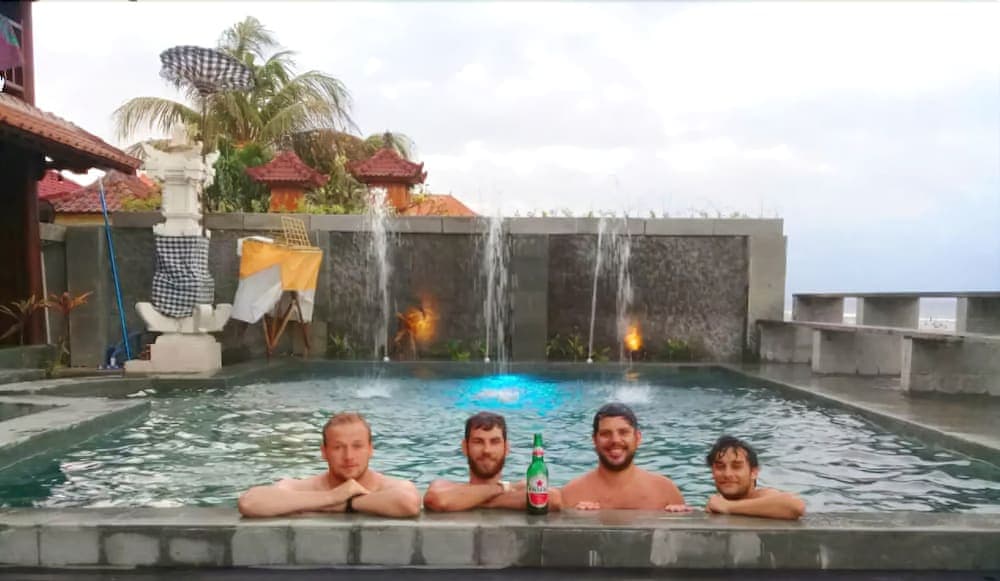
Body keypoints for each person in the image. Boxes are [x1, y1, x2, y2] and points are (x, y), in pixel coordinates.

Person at [238, 412, 421, 518]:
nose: (348, 456)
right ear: (324, 452)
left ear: (370, 449)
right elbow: (250, 502)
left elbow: (409, 502)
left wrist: (348, 503)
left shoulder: (386, 486)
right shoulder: (305, 487)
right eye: (338, 447)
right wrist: (332, 497)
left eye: (357, 446)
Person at [562, 403, 690, 511]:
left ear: (637, 438)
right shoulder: (571, 495)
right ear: (594, 440)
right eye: (606, 433)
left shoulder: (665, 492)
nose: (615, 440)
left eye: (623, 432)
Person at [423, 411, 562, 511]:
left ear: (506, 448)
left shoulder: (521, 486)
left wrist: (479, 501)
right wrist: (501, 489)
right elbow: (436, 499)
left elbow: (554, 498)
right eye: (478, 442)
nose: (487, 450)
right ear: (465, 447)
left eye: (495, 442)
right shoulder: (445, 485)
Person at [704, 435, 806, 520]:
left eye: (736, 466)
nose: (727, 474)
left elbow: (795, 506)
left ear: (753, 472)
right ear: (713, 472)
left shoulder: (763, 496)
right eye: (720, 467)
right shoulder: (717, 501)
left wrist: (727, 507)